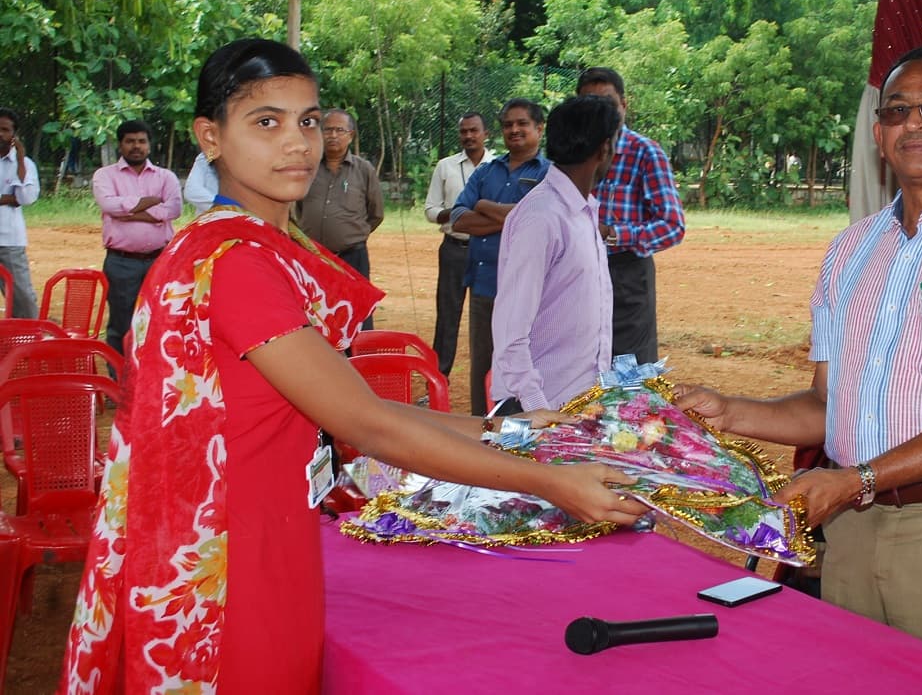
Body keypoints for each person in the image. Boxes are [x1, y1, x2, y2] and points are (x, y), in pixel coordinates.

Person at [60, 39, 646, 695]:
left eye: (308, 120)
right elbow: (369, 425)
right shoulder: (237, 263)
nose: (298, 143)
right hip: (234, 564)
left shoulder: (247, 244)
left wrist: (514, 429)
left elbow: (356, 410)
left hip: (260, 535)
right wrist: (551, 482)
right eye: (266, 121)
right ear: (210, 137)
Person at [675, 47, 922, 672]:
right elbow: (825, 408)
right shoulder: (853, 249)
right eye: (897, 111)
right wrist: (729, 411)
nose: (914, 123)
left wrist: (856, 479)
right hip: (854, 529)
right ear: (878, 134)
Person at [491, 95, 620, 414]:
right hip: (539, 409)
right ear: (604, 149)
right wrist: (537, 409)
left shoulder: (583, 211)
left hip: (578, 404)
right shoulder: (543, 216)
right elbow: (510, 330)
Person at [576, 68, 685, 364]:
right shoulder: (571, 154)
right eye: (590, 104)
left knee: (629, 368)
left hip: (626, 275)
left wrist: (613, 233)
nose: (600, 113)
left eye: (608, 104)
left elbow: (672, 226)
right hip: (575, 273)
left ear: (624, 105)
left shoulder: (645, 153)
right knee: (577, 364)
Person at [450, 98, 549, 415]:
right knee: (484, 364)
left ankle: (526, 432)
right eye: (508, 124)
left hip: (531, 291)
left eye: (522, 123)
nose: (514, 130)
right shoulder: (486, 172)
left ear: (539, 129)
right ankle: (485, 430)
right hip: (485, 285)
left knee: (529, 365)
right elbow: (459, 218)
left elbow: (542, 219)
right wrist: (515, 216)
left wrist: (484, 206)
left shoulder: (551, 174)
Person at [92, 119, 183, 356]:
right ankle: (119, 382)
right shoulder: (105, 175)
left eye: (141, 141)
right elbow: (109, 205)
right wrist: (152, 202)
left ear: (149, 146)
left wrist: (128, 212)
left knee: (161, 319)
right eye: (130, 141)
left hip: (160, 261)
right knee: (122, 323)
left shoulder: (166, 177)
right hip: (121, 262)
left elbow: (173, 210)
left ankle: (152, 381)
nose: (136, 146)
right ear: (120, 145)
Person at [295, 108, 384, 329]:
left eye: (339, 130)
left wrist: (350, 235)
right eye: (327, 130)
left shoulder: (363, 170)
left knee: (358, 311)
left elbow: (376, 213)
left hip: (352, 256)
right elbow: (295, 208)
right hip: (313, 257)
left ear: (351, 135)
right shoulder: (307, 167)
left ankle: (359, 360)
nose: (333, 135)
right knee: (315, 312)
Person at [424, 112, 494, 377]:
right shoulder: (445, 166)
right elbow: (431, 210)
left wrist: (471, 218)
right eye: (463, 131)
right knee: (447, 317)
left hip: (487, 250)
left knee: (488, 317)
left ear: (486, 134)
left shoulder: (499, 166)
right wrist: (457, 214)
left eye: (474, 130)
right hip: (453, 249)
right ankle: (438, 378)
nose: (468, 136)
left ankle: (489, 383)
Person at [0, 107, 39, 318]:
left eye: (5, 130)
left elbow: (26, 198)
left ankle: (26, 345)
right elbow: (16, 199)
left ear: (14, 135)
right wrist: (7, 198)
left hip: (9, 241)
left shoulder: (26, 165)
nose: (0, 134)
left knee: (21, 297)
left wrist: (21, 159)